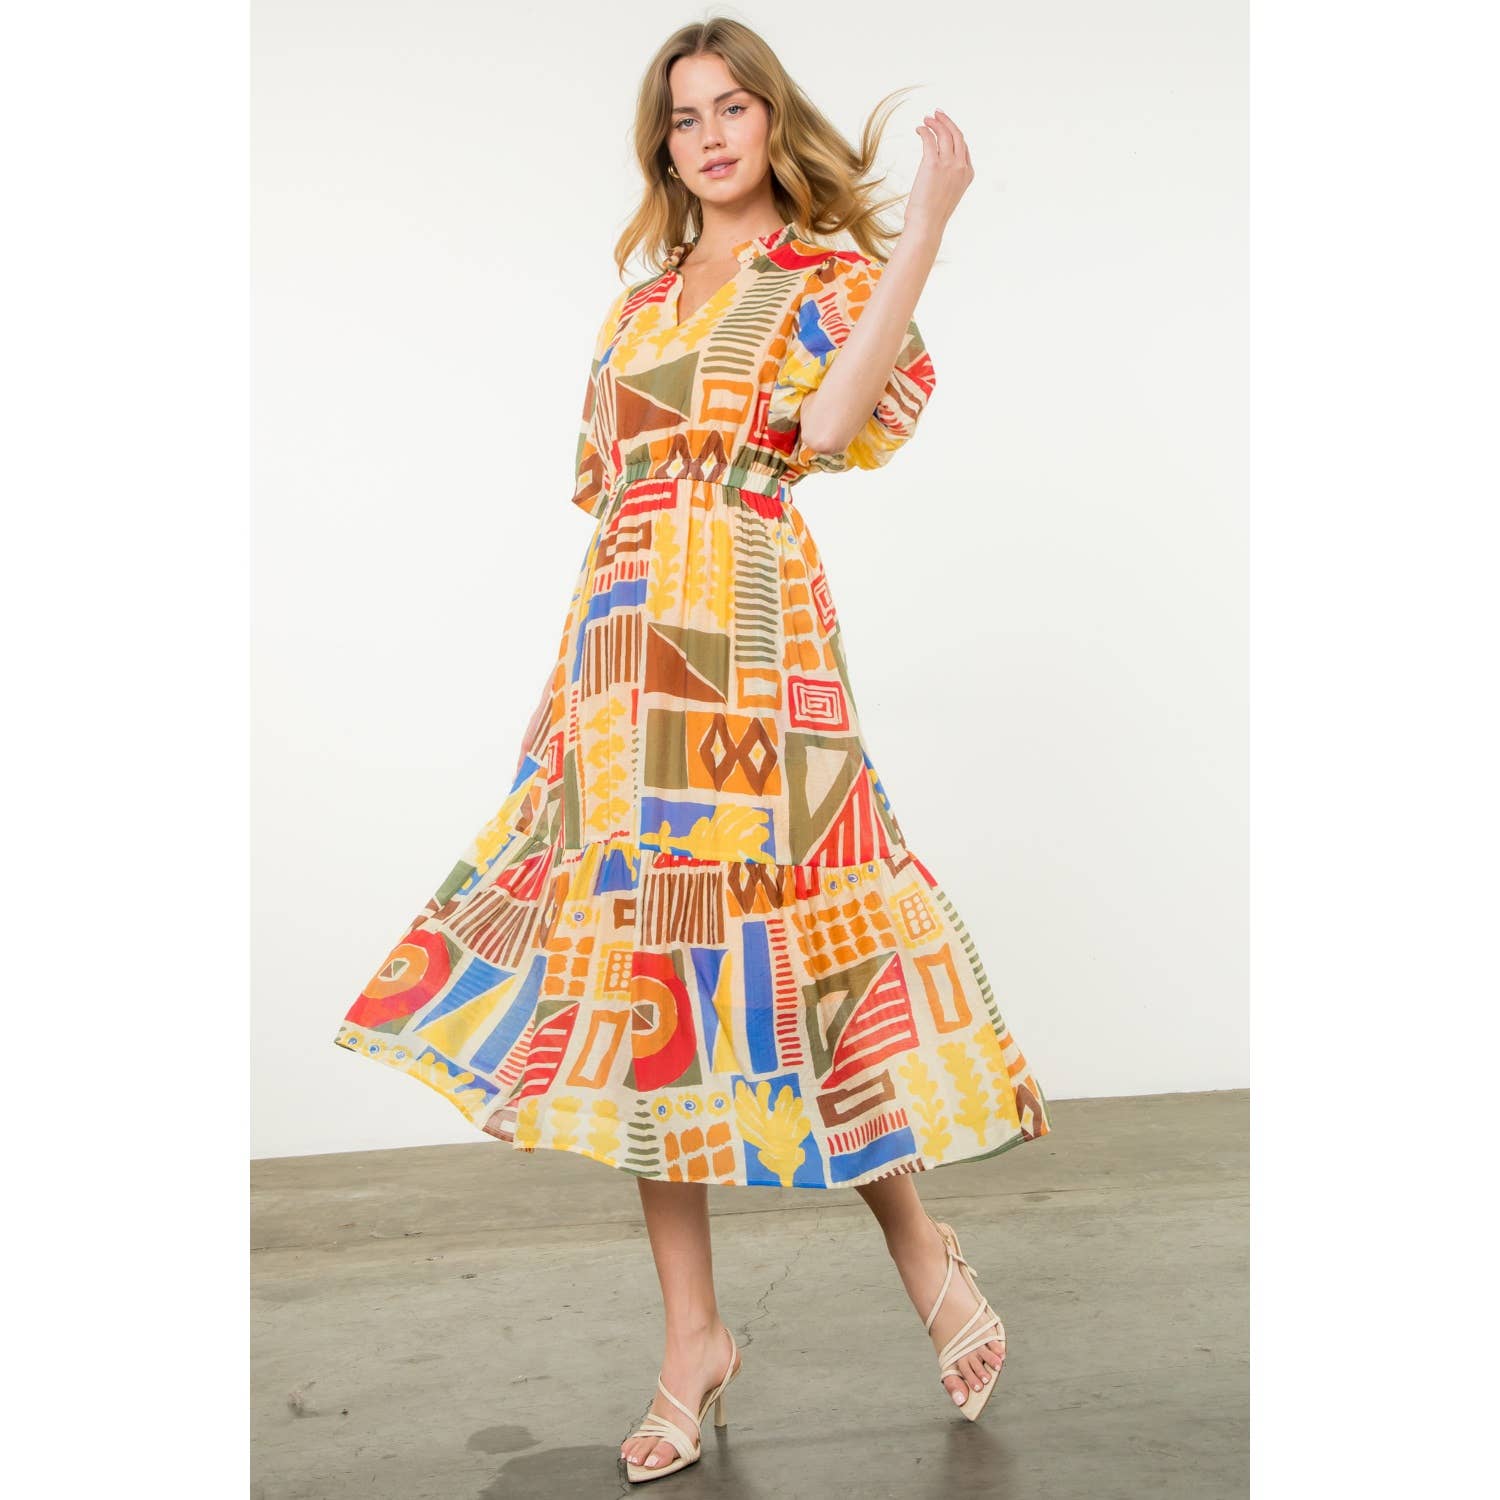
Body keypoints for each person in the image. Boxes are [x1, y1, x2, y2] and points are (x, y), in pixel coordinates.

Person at [332, 15, 1054, 1483]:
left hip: (754, 651)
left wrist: (924, 231)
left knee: (801, 968)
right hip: (619, 663)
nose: (710, 135)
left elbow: (832, 425)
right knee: (646, 989)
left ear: (772, 122)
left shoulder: (825, 278)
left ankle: (927, 1261)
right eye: (684, 117)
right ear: (662, 146)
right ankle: (692, 1341)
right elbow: (613, 502)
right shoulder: (641, 306)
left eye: (732, 108)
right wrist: (570, 694)